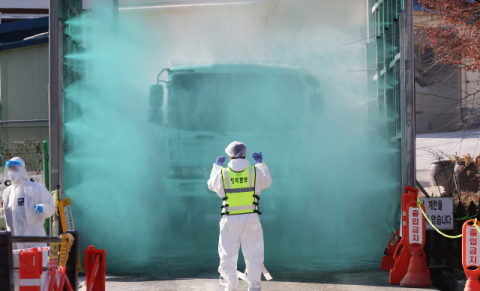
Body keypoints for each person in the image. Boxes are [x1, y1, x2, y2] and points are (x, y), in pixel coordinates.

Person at [207, 141, 273, 291]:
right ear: (245, 154)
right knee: (254, 256)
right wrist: (261, 164)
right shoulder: (254, 172)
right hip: (251, 219)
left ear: (229, 156)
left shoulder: (222, 174)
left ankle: (231, 288)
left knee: (228, 257)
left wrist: (216, 167)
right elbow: (267, 182)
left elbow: (211, 185)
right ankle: (255, 288)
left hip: (229, 220)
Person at [2, 157, 55, 290]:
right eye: (9, 169)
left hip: (34, 236)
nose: (11, 172)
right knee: (15, 270)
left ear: (22, 169)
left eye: (14, 168)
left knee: (38, 270)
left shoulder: (36, 188)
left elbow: (51, 205)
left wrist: (42, 208)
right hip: (14, 238)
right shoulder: (7, 192)